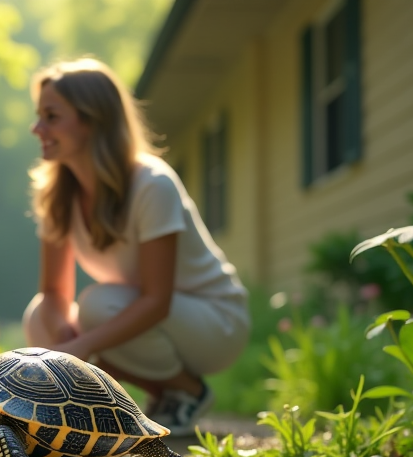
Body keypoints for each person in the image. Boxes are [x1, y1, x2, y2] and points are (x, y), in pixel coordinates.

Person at [21, 58, 250, 433]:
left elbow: (155, 301)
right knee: (39, 319)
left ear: (92, 120)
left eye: (51, 116)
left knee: (97, 306)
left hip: (215, 323)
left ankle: (188, 390)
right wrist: (65, 344)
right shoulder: (56, 193)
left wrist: (83, 349)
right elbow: (53, 292)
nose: (37, 128)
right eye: (39, 115)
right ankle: (141, 400)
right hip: (142, 313)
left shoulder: (152, 184)